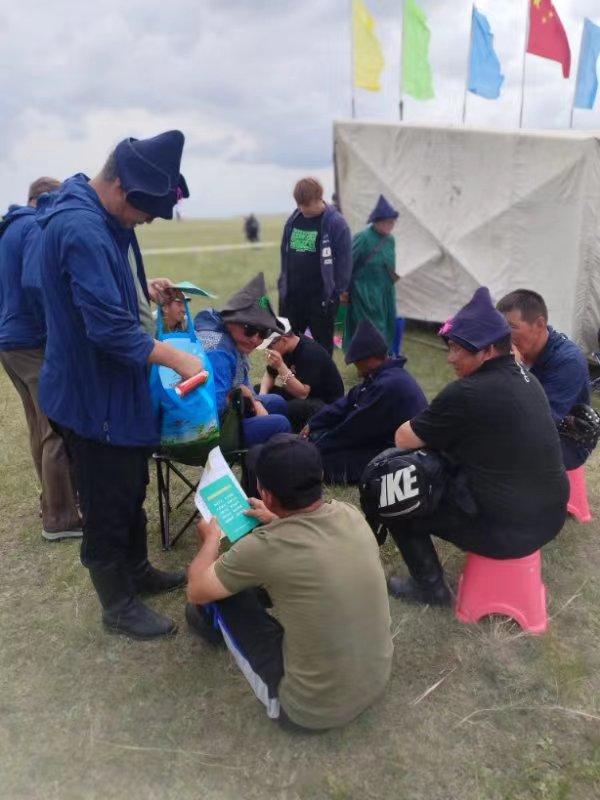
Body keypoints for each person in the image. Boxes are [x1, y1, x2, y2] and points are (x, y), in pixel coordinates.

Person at [38, 130, 201, 639]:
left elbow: (101, 289)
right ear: (121, 188)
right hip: (93, 399)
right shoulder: (81, 229)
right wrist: (174, 356)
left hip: (113, 391)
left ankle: (137, 571)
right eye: (144, 212)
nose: (145, 222)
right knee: (107, 500)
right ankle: (118, 605)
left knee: (130, 485)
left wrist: (136, 289)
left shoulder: (105, 218)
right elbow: (108, 330)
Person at [185, 433, 393, 731]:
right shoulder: (350, 514)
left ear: (266, 494)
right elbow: (310, 541)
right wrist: (275, 518)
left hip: (307, 711)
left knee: (221, 595)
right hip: (376, 679)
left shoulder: (264, 549)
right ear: (319, 478)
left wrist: (210, 540)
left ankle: (207, 625)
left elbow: (196, 589)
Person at [384, 287, 568, 606]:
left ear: (487, 351)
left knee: (391, 492)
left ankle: (430, 590)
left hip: (512, 532)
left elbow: (403, 438)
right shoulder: (526, 378)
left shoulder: (467, 393)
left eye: (457, 349)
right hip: (549, 517)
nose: (450, 358)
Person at [0, 176, 82, 542]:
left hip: (10, 343)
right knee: (56, 428)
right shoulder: (34, 226)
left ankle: (51, 501)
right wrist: (53, 332)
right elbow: (36, 283)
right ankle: (61, 519)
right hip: (33, 341)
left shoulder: (8, 230)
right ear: (46, 198)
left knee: (38, 424)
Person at [305, 319, 427, 484]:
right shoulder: (380, 376)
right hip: (381, 440)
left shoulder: (388, 385)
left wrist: (316, 447)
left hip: (400, 454)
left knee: (320, 462)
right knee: (319, 440)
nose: (357, 369)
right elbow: (346, 402)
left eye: (357, 362)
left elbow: (354, 428)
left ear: (370, 359)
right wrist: (313, 423)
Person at [496, 289, 592, 470]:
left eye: (512, 327)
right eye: (501, 327)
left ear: (539, 324)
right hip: (520, 426)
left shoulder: (568, 361)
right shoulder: (510, 349)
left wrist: (515, 369)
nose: (503, 334)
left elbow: (536, 421)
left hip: (564, 441)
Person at [195, 273, 292, 447]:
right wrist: (243, 393)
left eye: (263, 333)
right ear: (231, 321)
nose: (255, 339)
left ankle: (257, 461)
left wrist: (253, 400)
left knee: (276, 402)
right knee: (280, 424)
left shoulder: (230, 337)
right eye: (250, 329)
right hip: (209, 431)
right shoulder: (219, 353)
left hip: (228, 411)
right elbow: (213, 410)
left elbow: (242, 383)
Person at [278, 177, 352, 356]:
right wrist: (283, 285)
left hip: (321, 300)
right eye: (299, 204)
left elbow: (344, 262)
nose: (302, 209)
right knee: (286, 345)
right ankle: (289, 374)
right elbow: (284, 253)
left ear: (319, 198)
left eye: (306, 205)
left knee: (322, 350)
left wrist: (338, 292)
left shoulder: (336, 223)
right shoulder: (294, 219)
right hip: (292, 299)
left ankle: (319, 375)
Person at [257, 317, 344, 432]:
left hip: (324, 404)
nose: (268, 350)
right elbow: (269, 374)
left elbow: (302, 394)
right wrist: (262, 398)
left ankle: (278, 429)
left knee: (290, 407)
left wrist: (281, 366)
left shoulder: (310, 353)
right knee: (258, 390)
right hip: (300, 397)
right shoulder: (284, 350)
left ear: (283, 340)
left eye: (270, 346)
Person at [344, 195, 399, 353]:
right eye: (387, 222)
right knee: (371, 329)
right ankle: (369, 359)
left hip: (385, 292)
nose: (390, 225)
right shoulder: (363, 238)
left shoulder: (390, 240)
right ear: (377, 221)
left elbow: (389, 264)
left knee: (386, 326)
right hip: (365, 292)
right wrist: (345, 290)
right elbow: (348, 264)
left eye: (392, 222)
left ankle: (382, 357)